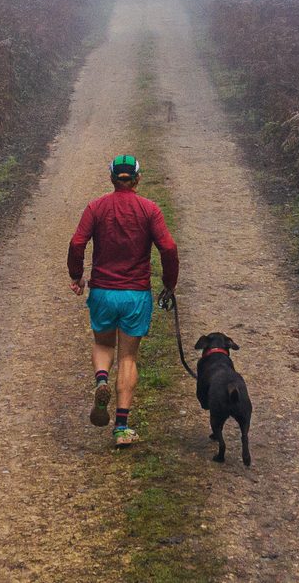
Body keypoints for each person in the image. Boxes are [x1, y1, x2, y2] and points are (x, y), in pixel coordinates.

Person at [68, 153, 179, 446]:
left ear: (112, 178)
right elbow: (168, 247)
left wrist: (76, 275)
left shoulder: (96, 207)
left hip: (103, 292)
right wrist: (169, 284)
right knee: (128, 357)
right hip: (135, 295)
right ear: (138, 179)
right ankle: (121, 428)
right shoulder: (149, 210)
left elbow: (77, 242)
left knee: (104, 344)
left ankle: (102, 379)